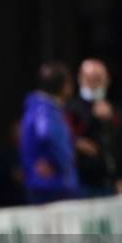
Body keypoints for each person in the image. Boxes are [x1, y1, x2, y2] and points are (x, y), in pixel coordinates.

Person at [19, 62, 79, 204]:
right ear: (63, 85)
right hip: (53, 187)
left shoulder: (38, 108)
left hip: (45, 186)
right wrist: (61, 164)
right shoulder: (45, 110)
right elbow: (47, 134)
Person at [66, 59, 122, 197]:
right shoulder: (71, 108)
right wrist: (77, 142)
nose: (94, 83)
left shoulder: (114, 110)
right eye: (90, 78)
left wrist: (119, 176)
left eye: (99, 78)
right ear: (80, 79)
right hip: (82, 182)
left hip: (110, 182)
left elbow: (121, 144)